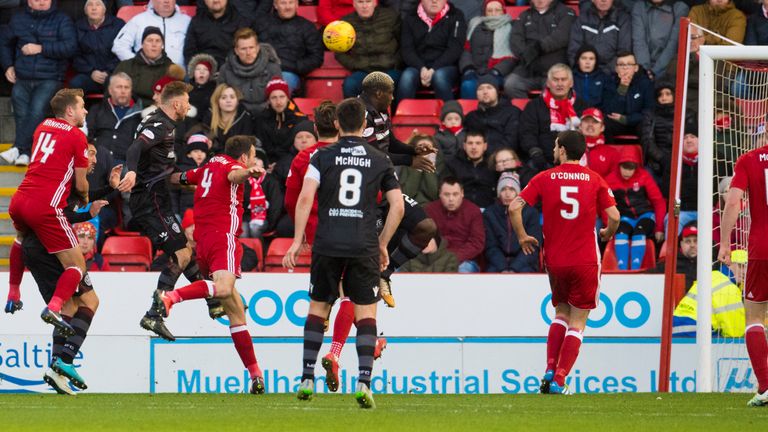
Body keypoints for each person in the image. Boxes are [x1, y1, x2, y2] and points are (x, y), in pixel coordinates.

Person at [283, 97, 405, 409]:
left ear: (337, 124)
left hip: (327, 242)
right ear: (365, 124)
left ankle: (307, 376)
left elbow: (305, 197)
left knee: (318, 308)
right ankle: (364, 382)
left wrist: (297, 241)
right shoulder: (379, 159)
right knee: (365, 312)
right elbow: (398, 205)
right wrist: (382, 242)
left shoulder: (321, 156)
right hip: (363, 244)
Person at [509, 130, 620, 394]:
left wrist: (523, 236)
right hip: (585, 260)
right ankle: (559, 379)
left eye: (555, 145)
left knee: (560, 312)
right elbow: (614, 216)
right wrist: (607, 232)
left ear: (561, 149)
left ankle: (549, 367)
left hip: (555, 261)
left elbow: (514, 206)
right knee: (579, 321)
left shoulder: (544, 178)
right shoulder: (595, 179)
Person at [155, 135, 267, 394]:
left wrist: (155, 176)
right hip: (222, 238)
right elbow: (235, 176)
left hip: (203, 243)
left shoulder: (206, 167)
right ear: (243, 156)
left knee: (237, 314)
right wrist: (248, 172)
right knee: (225, 289)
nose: (252, 159)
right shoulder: (232, 167)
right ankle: (172, 298)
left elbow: (180, 179)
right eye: (251, 155)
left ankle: (255, 375)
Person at [12, 144, 120, 395]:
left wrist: (108, 191)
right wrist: (86, 213)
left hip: (37, 248)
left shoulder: (60, 179)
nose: (95, 158)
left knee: (71, 308)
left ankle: (56, 369)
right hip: (53, 247)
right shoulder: (68, 178)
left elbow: (63, 213)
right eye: (91, 153)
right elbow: (57, 217)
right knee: (90, 301)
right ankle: (64, 361)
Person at [117, 81, 215, 342]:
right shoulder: (160, 124)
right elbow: (135, 148)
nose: (189, 106)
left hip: (158, 198)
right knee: (181, 253)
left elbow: (161, 170)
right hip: (151, 201)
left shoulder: (163, 124)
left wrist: (188, 179)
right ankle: (154, 314)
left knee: (185, 252)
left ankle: (212, 301)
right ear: (176, 104)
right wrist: (132, 171)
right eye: (186, 102)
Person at [6, 89, 91, 339]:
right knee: (77, 265)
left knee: (20, 240)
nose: (86, 110)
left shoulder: (42, 126)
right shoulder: (77, 136)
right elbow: (82, 183)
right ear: (70, 111)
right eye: (82, 106)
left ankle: (13, 293)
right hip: (46, 205)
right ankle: (54, 307)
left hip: (20, 198)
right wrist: (85, 198)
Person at [718, 137, 768, 406]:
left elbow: (733, 202)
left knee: (754, 315)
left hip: (762, 248)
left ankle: (766, 386)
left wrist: (725, 242)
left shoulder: (749, 160)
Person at [0, 0, 77, 167]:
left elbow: (70, 47)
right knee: (21, 115)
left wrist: (41, 48)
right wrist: (8, 66)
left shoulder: (62, 19)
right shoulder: (18, 18)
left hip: (50, 77)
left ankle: (18, 147)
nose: (41, 2)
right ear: (29, 1)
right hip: (22, 77)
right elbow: (4, 42)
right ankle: (26, 153)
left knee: (36, 111)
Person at [605, 147, 666, 270]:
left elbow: (658, 202)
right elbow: (605, 205)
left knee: (640, 231)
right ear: (619, 165)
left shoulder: (644, 177)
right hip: (624, 217)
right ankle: (622, 269)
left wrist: (659, 227)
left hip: (645, 215)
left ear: (636, 167)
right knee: (620, 233)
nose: (627, 172)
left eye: (631, 168)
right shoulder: (610, 180)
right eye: (624, 167)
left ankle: (635, 269)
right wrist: (609, 228)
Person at [519, 64, 586, 172]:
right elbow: (527, 133)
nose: (560, 84)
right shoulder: (535, 106)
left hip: (576, 162)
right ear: (548, 83)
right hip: (542, 161)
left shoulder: (582, 105)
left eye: (563, 79)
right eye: (555, 80)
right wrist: (535, 152)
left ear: (571, 83)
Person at [397, 0, 467, 101]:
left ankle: (449, 114)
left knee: (439, 77)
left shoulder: (456, 15)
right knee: (407, 77)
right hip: (418, 66)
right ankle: (402, 115)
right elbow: (407, 49)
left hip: (446, 66)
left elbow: (455, 48)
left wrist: (434, 69)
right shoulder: (410, 17)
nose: (434, 1)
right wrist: (421, 68)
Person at [505, 0, 576, 99]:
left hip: (554, 69)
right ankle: (528, 111)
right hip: (528, 68)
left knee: (555, 89)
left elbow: (562, 36)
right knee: (510, 84)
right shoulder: (524, 15)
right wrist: (525, 53)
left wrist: (538, 47)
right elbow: (515, 38)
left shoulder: (566, 12)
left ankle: (542, 112)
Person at [253, 0, 324, 94]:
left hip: (290, 73)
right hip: (261, 71)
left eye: (291, 2)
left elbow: (316, 57)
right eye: (283, 3)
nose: (288, 7)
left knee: (281, 85)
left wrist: (294, 66)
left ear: (297, 5)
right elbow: (250, 48)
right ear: (275, 5)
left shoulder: (307, 27)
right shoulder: (260, 24)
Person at [336, 0, 402, 98]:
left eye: (368, 1)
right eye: (360, 2)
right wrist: (355, 64)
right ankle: (354, 113)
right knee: (349, 85)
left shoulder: (391, 17)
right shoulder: (345, 23)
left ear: (375, 3)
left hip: (389, 69)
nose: (364, 6)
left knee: (393, 85)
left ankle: (395, 113)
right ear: (354, 4)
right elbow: (339, 52)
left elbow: (403, 43)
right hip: (363, 70)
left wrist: (396, 62)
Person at [673, 249, 746, 338]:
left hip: (675, 327)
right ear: (728, 263)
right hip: (695, 329)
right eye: (740, 266)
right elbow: (735, 332)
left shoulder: (712, 276)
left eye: (748, 268)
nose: (744, 272)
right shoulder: (728, 287)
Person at [484, 171, 541, 273]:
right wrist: (503, 268)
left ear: (518, 192)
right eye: (503, 189)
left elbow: (533, 247)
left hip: (523, 264)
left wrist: (514, 269)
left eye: (511, 189)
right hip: (497, 264)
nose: (507, 193)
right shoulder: (490, 214)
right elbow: (491, 247)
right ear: (498, 192)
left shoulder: (531, 213)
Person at [425, 177, 485, 273]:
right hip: (435, 259)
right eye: (446, 194)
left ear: (462, 193)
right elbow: (425, 238)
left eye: (455, 194)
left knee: (462, 271)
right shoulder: (430, 210)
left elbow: (477, 243)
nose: (451, 199)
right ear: (440, 193)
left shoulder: (473, 211)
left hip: (465, 260)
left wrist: (453, 258)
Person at [217, 28, 282, 115]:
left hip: (267, 114)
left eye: (251, 47)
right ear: (236, 51)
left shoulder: (273, 68)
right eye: (243, 49)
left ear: (258, 48)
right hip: (237, 115)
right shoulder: (225, 70)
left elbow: (278, 98)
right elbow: (220, 97)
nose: (248, 53)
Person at [458, 0, 514, 99]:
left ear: (503, 11)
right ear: (484, 12)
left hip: (497, 72)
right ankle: (470, 113)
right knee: (468, 84)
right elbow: (466, 50)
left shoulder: (511, 27)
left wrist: (496, 71)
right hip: (474, 70)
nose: (493, 13)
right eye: (490, 10)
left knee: (489, 86)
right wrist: (468, 68)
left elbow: (512, 56)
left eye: (497, 10)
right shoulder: (474, 25)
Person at [86, 72, 144, 166]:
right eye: (119, 87)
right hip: (98, 161)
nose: (123, 91)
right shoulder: (97, 109)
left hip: (125, 165)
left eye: (126, 87)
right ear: (110, 90)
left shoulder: (140, 115)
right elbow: (88, 135)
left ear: (131, 90)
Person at [112, 0, 192, 66]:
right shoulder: (139, 20)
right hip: (145, 76)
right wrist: (137, 63)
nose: (167, 1)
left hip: (179, 76)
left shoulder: (187, 21)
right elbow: (119, 46)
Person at [71, 0, 125, 94]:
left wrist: (108, 72)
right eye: (90, 5)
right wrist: (91, 72)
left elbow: (123, 52)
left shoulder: (118, 25)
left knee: (117, 83)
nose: (94, 8)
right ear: (85, 10)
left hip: (113, 73)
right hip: (89, 74)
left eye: (98, 4)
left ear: (104, 9)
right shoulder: (77, 27)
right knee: (75, 84)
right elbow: (74, 55)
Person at [112, 27, 176, 107]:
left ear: (162, 45)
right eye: (150, 40)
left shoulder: (173, 69)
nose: (154, 44)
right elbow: (112, 93)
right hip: (130, 110)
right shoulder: (126, 66)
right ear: (142, 44)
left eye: (158, 41)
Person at [600, 51, 655, 140]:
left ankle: (645, 154)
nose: (625, 68)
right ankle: (609, 153)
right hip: (617, 124)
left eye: (629, 64)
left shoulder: (645, 84)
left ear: (636, 68)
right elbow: (609, 111)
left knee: (647, 126)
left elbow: (649, 111)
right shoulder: (609, 83)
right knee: (604, 124)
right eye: (621, 65)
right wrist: (622, 89)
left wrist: (627, 119)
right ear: (616, 69)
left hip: (637, 123)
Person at [567, 0, 631, 75]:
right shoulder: (581, 20)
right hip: (585, 74)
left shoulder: (623, 19)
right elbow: (574, 51)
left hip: (613, 75)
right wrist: (585, 71)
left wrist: (604, 73)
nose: (603, 0)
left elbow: (623, 52)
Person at [183, 0, 254, 68]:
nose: (215, 0)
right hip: (203, 72)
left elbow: (244, 51)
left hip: (231, 72)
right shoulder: (197, 21)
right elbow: (189, 51)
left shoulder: (240, 21)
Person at [631, 0, 688, 81]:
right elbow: (639, 41)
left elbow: (673, 44)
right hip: (642, 68)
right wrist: (645, 70)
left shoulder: (679, 7)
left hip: (668, 68)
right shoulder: (639, 6)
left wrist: (655, 71)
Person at [464, 75, 520, 154]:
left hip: (503, 158)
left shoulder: (512, 112)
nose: (485, 92)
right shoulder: (471, 117)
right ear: (476, 94)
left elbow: (511, 142)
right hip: (477, 160)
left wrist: (486, 153)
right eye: (480, 89)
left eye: (489, 88)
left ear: (497, 92)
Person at [443, 129, 497, 208]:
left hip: (488, 208)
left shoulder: (493, 164)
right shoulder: (453, 163)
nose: (474, 147)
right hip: (460, 209)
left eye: (478, 143)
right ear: (464, 146)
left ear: (485, 146)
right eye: (470, 143)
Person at [577, 107, 617, 178]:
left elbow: (614, 180)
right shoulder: (570, 149)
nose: (590, 125)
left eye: (595, 122)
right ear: (580, 126)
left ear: (602, 127)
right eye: (586, 121)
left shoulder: (612, 153)